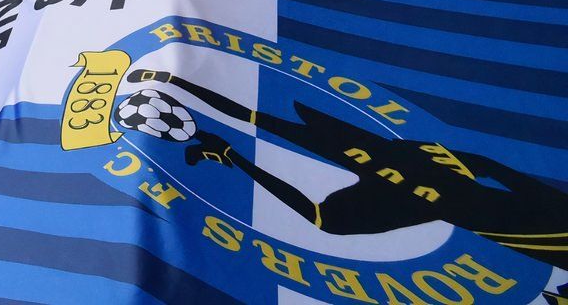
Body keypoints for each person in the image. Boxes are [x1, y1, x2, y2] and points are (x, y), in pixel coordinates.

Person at [131, 68, 568, 263]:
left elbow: (321, 217)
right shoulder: (388, 161)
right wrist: (176, 82)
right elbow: (250, 115)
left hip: (524, 218)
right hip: (500, 210)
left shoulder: (402, 161)